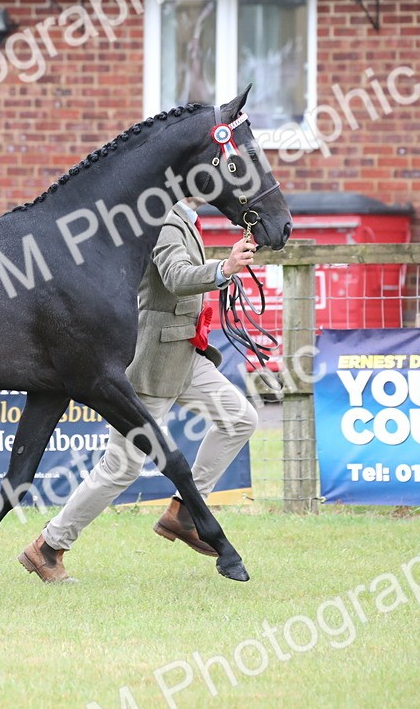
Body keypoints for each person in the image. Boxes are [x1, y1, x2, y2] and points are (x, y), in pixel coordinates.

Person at [18, 197, 259, 582]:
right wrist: (225, 267)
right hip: (151, 364)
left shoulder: (186, 220)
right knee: (121, 467)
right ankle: (48, 546)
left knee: (240, 418)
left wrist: (226, 267)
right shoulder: (164, 221)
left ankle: (183, 512)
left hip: (185, 354)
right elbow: (178, 277)